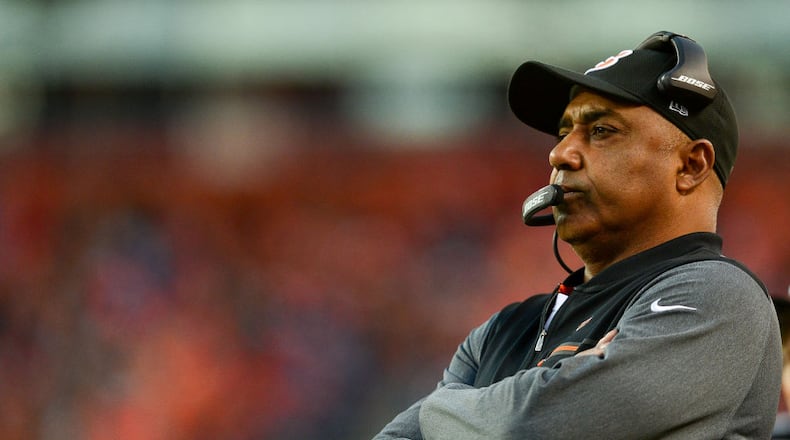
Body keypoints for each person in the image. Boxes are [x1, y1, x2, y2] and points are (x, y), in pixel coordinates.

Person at [373, 31, 782, 439]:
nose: (560, 153)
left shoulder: (718, 295)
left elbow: (544, 427)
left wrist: (439, 411)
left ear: (691, 165)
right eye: (563, 132)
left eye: (601, 130)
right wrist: (553, 390)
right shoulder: (504, 329)